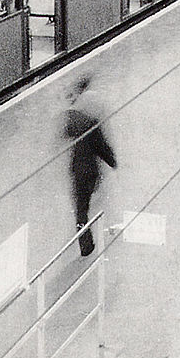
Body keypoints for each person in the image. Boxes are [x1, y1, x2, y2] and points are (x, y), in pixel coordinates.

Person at [62, 74, 117, 256]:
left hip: (78, 171)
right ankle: (86, 241)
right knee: (85, 202)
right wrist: (113, 162)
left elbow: (66, 133)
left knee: (81, 209)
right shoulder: (92, 123)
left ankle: (85, 244)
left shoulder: (73, 120)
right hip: (91, 171)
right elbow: (101, 147)